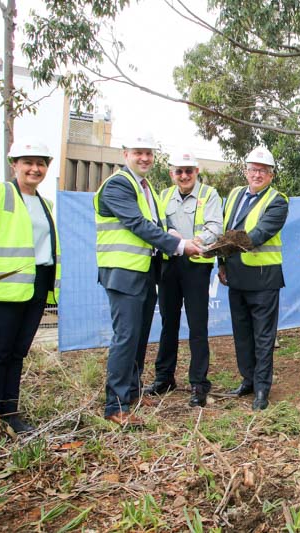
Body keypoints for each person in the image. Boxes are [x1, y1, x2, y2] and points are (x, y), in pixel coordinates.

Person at [94, 133, 202, 426]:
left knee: (139, 336)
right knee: (126, 336)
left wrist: (174, 233)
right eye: (138, 152)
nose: (144, 158)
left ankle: (132, 392)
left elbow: (156, 224)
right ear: (125, 153)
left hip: (145, 272)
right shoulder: (118, 185)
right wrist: (179, 245)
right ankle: (115, 406)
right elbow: (137, 224)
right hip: (123, 272)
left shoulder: (146, 188)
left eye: (149, 153)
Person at [0, 138, 61, 436]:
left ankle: (10, 414)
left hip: (35, 288)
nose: (35, 168)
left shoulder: (44, 203)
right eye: (28, 162)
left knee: (18, 353)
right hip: (3, 290)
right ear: (15, 165)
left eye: (41, 163)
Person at [144, 152, 222, 407]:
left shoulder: (209, 194)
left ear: (197, 171)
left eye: (189, 170)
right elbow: (156, 226)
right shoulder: (163, 195)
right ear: (171, 173)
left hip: (197, 266)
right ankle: (164, 378)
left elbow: (214, 228)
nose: (184, 176)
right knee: (169, 324)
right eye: (179, 171)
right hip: (169, 266)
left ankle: (199, 383)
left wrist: (190, 243)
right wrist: (172, 239)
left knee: (197, 327)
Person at [218, 146, 288, 410]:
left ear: (271, 175)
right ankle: (248, 379)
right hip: (235, 276)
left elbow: (258, 235)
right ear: (246, 171)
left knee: (263, 337)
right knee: (242, 334)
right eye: (253, 169)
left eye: (262, 171)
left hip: (263, 280)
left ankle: (262, 389)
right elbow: (225, 229)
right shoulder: (235, 194)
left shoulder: (278, 201)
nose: (257, 174)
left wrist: (222, 247)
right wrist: (221, 261)